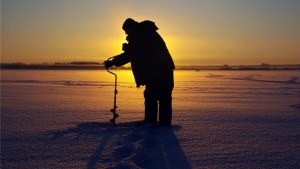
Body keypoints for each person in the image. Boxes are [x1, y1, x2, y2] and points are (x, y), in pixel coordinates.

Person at [105, 18, 175, 126]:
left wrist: (114, 61)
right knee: (153, 96)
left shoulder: (144, 35)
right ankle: (153, 123)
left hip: (160, 71)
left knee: (160, 97)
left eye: (127, 31)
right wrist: (127, 50)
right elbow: (138, 52)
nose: (126, 33)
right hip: (157, 71)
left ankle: (160, 125)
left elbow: (134, 53)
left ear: (132, 28)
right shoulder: (143, 34)